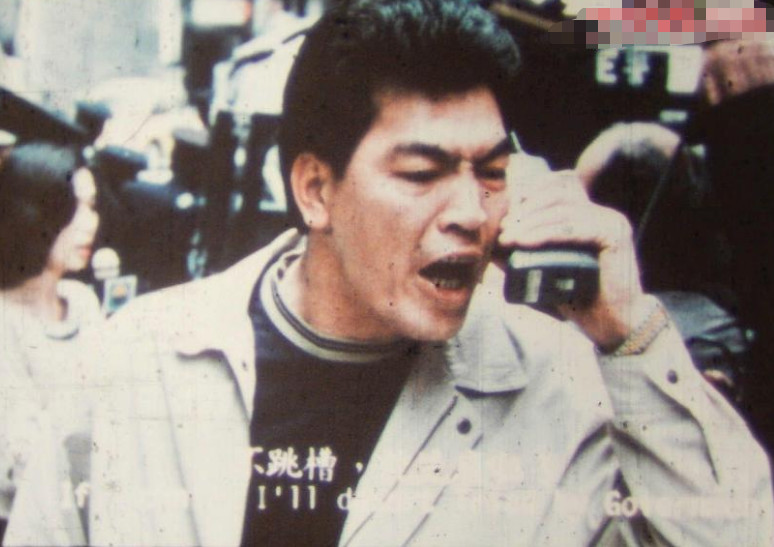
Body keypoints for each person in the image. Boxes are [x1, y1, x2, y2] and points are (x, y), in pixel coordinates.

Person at [6, 2, 772, 545]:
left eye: (492, 171)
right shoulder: (136, 361)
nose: (470, 211)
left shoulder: (560, 383)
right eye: (422, 172)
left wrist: (633, 338)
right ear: (316, 189)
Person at [0, 143, 102, 541]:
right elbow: (20, 460)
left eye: (92, 205)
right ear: (32, 213)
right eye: (76, 207)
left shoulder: (84, 303)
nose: (89, 223)